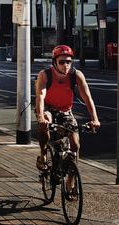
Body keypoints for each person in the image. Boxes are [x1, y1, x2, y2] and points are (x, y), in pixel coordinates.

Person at [34, 45, 100, 173]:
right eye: (62, 62)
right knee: (45, 121)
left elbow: (88, 98)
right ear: (54, 62)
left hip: (65, 110)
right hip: (47, 108)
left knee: (75, 144)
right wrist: (41, 117)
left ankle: (71, 179)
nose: (66, 65)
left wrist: (95, 119)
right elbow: (40, 97)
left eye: (69, 62)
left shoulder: (76, 75)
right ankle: (43, 154)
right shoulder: (45, 75)